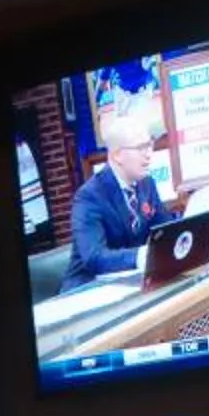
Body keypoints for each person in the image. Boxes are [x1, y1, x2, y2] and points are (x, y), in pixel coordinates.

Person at [62, 109, 165, 290]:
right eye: (141, 148)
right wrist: (141, 255)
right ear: (117, 155)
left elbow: (164, 228)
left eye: (149, 145)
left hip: (132, 284)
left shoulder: (146, 184)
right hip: (87, 291)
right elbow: (94, 257)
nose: (148, 154)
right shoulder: (89, 196)